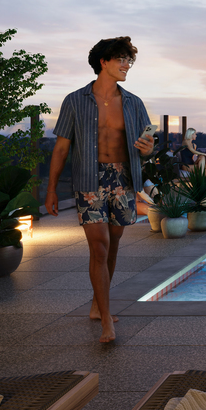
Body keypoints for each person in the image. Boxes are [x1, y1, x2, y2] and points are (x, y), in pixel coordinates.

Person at [46, 36, 154, 343]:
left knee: (113, 245)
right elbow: (61, 149)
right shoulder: (75, 100)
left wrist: (148, 150)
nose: (126, 66)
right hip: (89, 181)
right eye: (120, 59)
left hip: (123, 179)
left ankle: (97, 304)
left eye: (129, 60)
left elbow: (148, 148)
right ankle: (107, 320)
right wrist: (52, 189)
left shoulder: (133, 103)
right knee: (99, 247)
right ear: (103, 62)